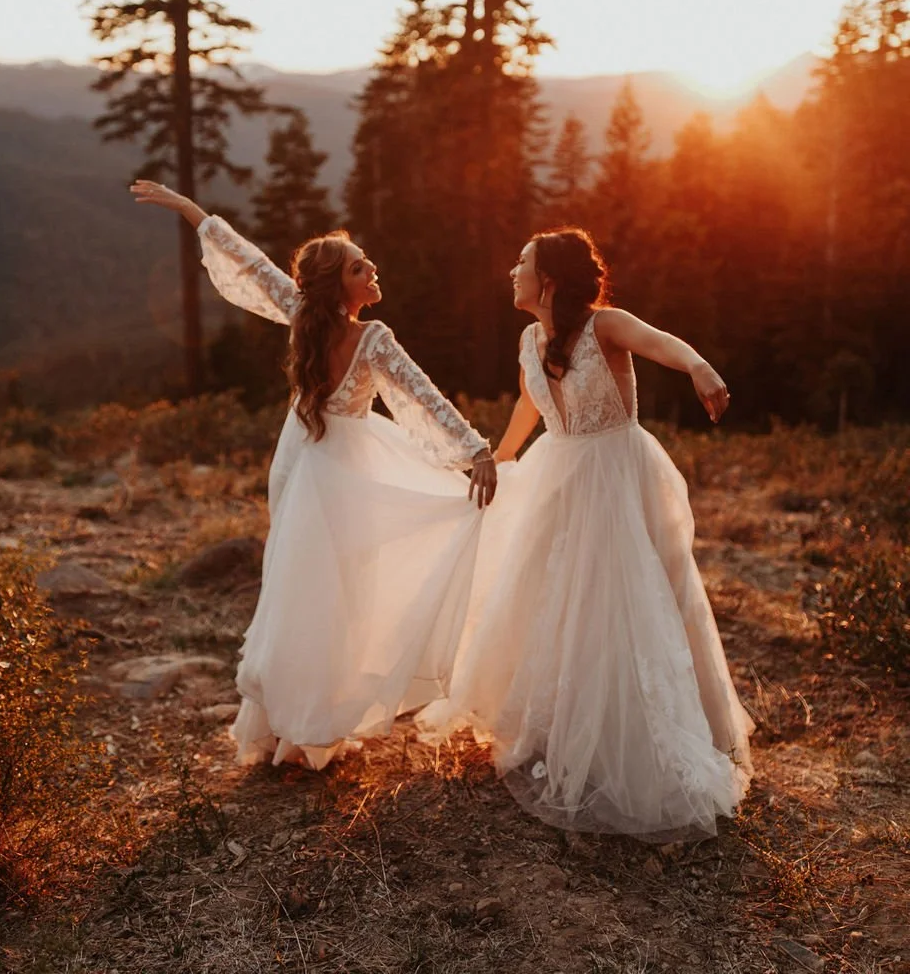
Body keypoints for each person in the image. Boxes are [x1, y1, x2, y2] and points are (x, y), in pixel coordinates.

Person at [131, 180, 497, 769]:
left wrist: (193, 212)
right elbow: (422, 397)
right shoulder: (368, 337)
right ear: (338, 285)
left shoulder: (306, 315)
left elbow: (250, 263)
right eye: (359, 266)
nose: (372, 268)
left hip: (302, 453)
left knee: (303, 586)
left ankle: (293, 724)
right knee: (337, 592)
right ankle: (307, 722)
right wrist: (474, 449)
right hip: (341, 465)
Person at [419, 227, 753, 838]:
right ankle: (558, 726)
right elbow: (529, 405)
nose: (511, 270)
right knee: (552, 598)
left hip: (616, 474)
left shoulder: (606, 325)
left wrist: (701, 368)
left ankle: (644, 736)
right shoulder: (528, 338)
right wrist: (499, 458)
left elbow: (661, 342)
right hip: (560, 470)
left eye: (521, 261)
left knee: (632, 600)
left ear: (547, 278)